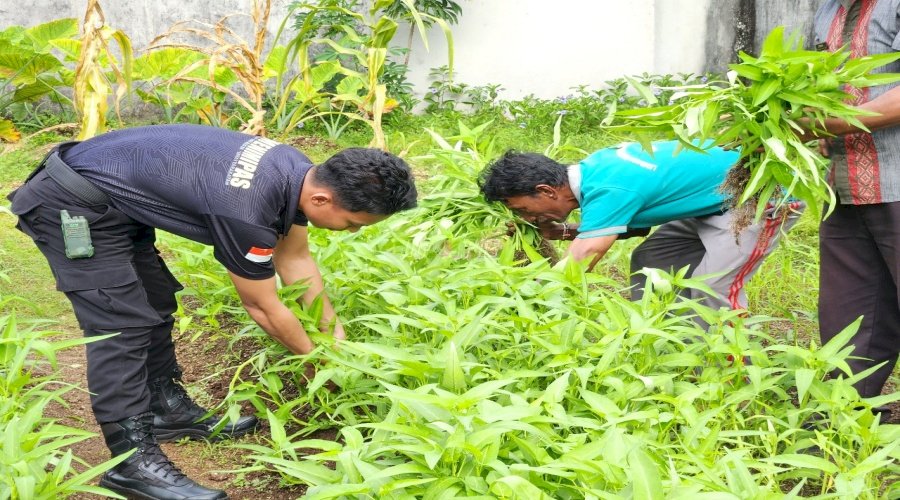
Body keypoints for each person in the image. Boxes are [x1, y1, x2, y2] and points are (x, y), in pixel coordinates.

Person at [7, 124, 418, 499]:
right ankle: (131, 464)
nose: (352, 232)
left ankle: (165, 409)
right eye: (352, 224)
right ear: (322, 199)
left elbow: (296, 262)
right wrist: (316, 362)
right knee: (122, 324)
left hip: (116, 197)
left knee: (155, 300)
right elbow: (263, 305)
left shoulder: (299, 172)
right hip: (72, 201)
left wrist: (337, 342)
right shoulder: (247, 209)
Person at [479, 141, 802, 316]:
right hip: (711, 200)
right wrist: (562, 233)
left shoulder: (611, 188)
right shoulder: (595, 169)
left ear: (547, 191)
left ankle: (732, 369)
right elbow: (631, 227)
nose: (528, 217)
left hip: (760, 197)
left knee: (714, 286)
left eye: (524, 209)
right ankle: (669, 338)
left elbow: (588, 252)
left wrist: (526, 299)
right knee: (652, 259)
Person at [805, 0, 900, 421]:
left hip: (896, 181)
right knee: (849, 311)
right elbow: (815, 86)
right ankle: (847, 417)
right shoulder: (829, 10)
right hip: (845, 187)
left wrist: (830, 123)